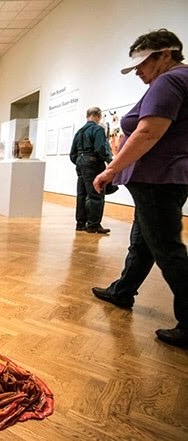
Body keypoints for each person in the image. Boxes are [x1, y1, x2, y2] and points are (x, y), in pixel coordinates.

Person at [92, 29, 188, 348]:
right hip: (160, 179)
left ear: (165, 55)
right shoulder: (180, 79)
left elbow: (147, 132)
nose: (139, 73)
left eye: (142, 65)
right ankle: (123, 291)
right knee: (145, 241)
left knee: (166, 248)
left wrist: (111, 169)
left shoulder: (169, 81)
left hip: (157, 179)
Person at [69, 107, 112, 234]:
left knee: (81, 194)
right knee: (96, 193)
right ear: (98, 116)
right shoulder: (98, 129)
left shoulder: (79, 132)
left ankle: (80, 223)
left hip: (80, 163)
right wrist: (109, 160)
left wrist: (80, 161)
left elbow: (72, 154)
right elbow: (100, 148)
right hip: (93, 163)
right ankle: (93, 225)